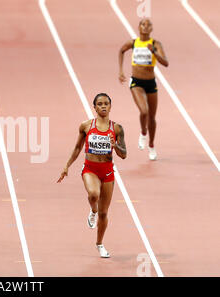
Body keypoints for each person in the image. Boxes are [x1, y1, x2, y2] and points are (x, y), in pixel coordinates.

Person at [57, 93, 127, 258]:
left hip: (108, 172)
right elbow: (77, 148)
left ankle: (99, 243)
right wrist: (66, 165)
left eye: (106, 104)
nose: (103, 106)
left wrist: (114, 145)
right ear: (94, 107)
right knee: (94, 194)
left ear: (110, 106)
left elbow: (124, 154)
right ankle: (92, 210)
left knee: (104, 214)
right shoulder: (86, 126)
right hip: (90, 169)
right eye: (100, 104)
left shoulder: (117, 128)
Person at [118, 18, 168, 160]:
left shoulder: (155, 44)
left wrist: (154, 53)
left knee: (152, 117)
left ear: (152, 28)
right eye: (143, 24)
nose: (145, 27)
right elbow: (121, 51)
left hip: (151, 83)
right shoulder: (133, 43)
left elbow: (166, 63)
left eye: (148, 24)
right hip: (137, 83)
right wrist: (121, 71)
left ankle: (151, 145)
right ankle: (143, 132)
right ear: (139, 27)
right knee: (144, 111)